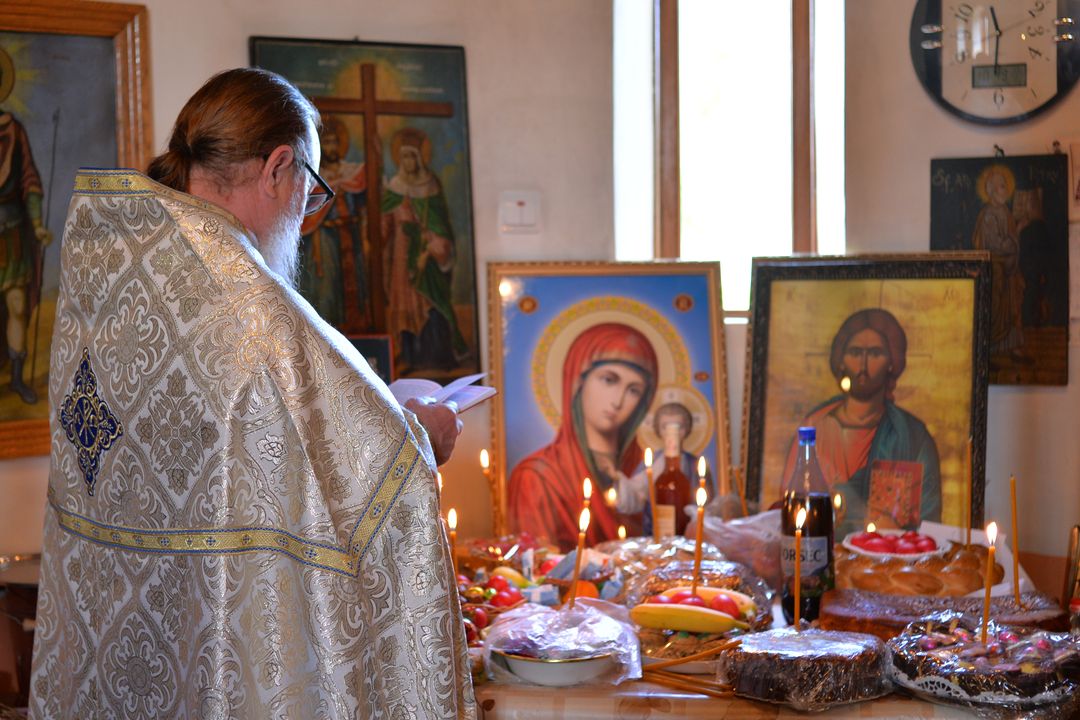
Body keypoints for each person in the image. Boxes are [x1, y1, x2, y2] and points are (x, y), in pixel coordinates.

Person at [29, 68, 474, 719]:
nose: (305, 214)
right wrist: (422, 435)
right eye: (310, 190)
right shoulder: (256, 313)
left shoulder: (117, 274)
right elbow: (381, 477)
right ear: (278, 167)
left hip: (125, 627)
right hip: (225, 643)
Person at [781, 308, 941, 537]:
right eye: (855, 352)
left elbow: (929, 525)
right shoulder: (815, 427)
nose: (863, 365)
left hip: (883, 555)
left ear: (891, 362)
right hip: (818, 552)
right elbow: (789, 505)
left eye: (875, 353)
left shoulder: (912, 436)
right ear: (841, 361)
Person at [507, 322, 657, 550]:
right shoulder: (537, 476)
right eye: (609, 380)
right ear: (578, 380)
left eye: (634, 390)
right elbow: (537, 562)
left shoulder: (646, 473)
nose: (618, 401)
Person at [381, 127, 466, 373]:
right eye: (404, 157)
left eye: (412, 156)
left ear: (419, 158)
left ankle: (438, 356)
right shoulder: (394, 187)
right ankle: (409, 356)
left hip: (426, 254)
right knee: (404, 303)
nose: (408, 161)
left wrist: (431, 246)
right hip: (401, 256)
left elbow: (441, 224)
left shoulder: (431, 186)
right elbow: (384, 226)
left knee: (432, 302)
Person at [297, 116, 371, 331]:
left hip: (351, 236)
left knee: (356, 286)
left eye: (335, 142)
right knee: (328, 287)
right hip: (325, 239)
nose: (332, 147)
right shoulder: (315, 177)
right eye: (327, 143)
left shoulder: (352, 173)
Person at [0, 109, 52, 404]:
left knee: (17, 305)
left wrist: (37, 224)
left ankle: (17, 379)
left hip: (12, 232)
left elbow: (29, 180)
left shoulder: (14, 130)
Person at [619, 401, 714, 533]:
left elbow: (708, 501)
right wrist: (617, 478)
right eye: (665, 426)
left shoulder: (697, 464)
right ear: (658, 430)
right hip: (656, 531)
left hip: (687, 531)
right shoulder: (651, 462)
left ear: (687, 429)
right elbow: (635, 493)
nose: (672, 431)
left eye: (679, 426)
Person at [972, 165, 1026, 361]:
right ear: (992, 190)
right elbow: (997, 245)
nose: (1006, 190)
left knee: (1013, 308)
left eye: (1005, 185)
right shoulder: (988, 215)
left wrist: (1017, 229)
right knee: (995, 311)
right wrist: (1017, 231)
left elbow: (1009, 241)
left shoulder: (1005, 211)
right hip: (995, 270)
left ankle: (1015, 349)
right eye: (1002, 186)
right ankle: (990, 355)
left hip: (1009, 268)